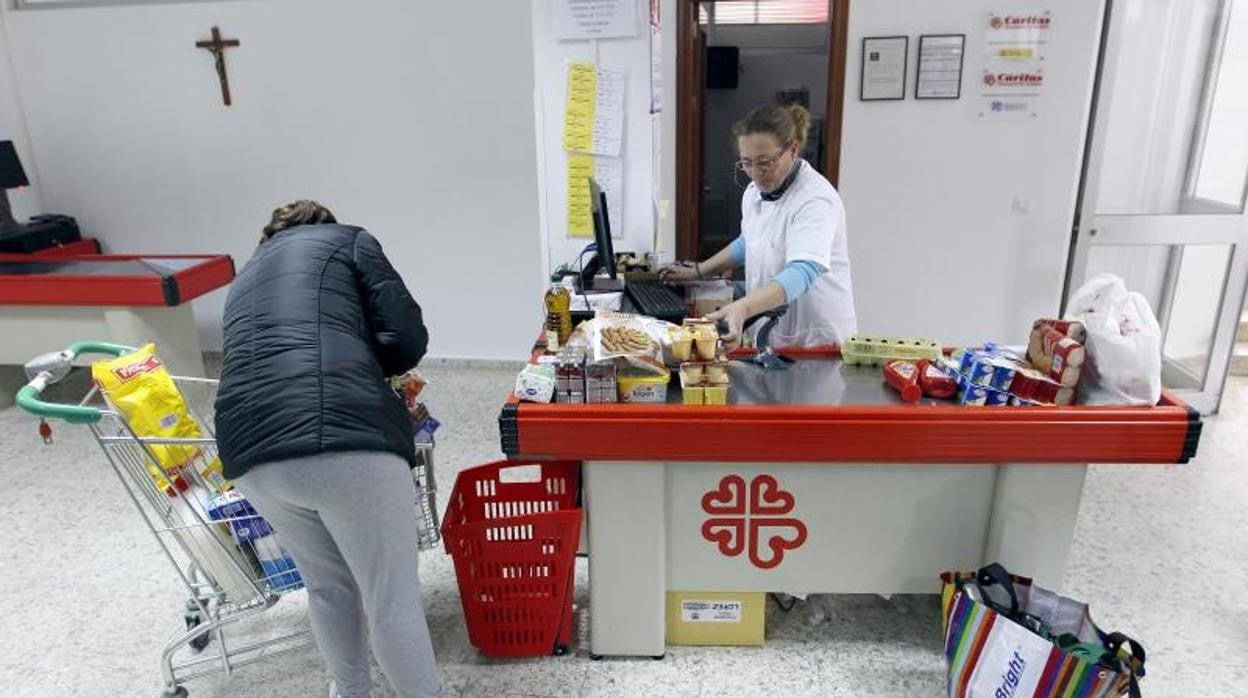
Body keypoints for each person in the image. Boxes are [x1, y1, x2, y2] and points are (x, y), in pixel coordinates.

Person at [214, 200, 440, 698]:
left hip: (248, 454)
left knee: (328, 585)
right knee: (391, 599)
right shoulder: (350, 240)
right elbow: (404, 339)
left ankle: (349, 691)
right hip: (343, 438)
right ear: (326, 224)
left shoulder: (245, 277)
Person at [661, 104, 857, 348]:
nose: (755, 173)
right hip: (775, 335)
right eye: (746, 162)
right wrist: (698, 272)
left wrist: (742, 308)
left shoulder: (815, 200)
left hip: (815, 341)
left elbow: (803, 271)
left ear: (793, 149)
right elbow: (749, 242)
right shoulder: (755, 192)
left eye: (765, 162)